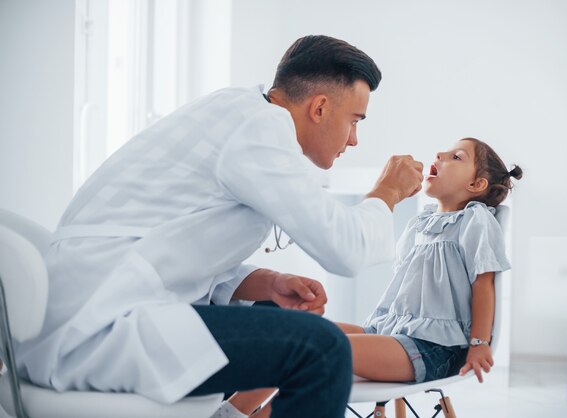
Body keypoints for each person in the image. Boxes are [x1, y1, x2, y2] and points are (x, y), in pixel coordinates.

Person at [14, 35, 423, 418]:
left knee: (283, 320)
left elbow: (177, 241)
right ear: (318, 108)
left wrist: (265, 281)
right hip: (99, 323)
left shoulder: (238, 112)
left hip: (101, 300)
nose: (353, 140)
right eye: (355, 121)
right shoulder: (260, 129)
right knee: (321, 348)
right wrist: (387, 192)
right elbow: (345, 250)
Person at [337, 137, 523, 417]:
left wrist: (479, 344)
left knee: (325, 346)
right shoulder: (420, 223)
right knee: (302, 332)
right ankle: (247, 409)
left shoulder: (475, 220)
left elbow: (484, 285)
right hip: (391, 332)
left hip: (434, 348)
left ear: (476, 185)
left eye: (456, 157)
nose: (439, 154)